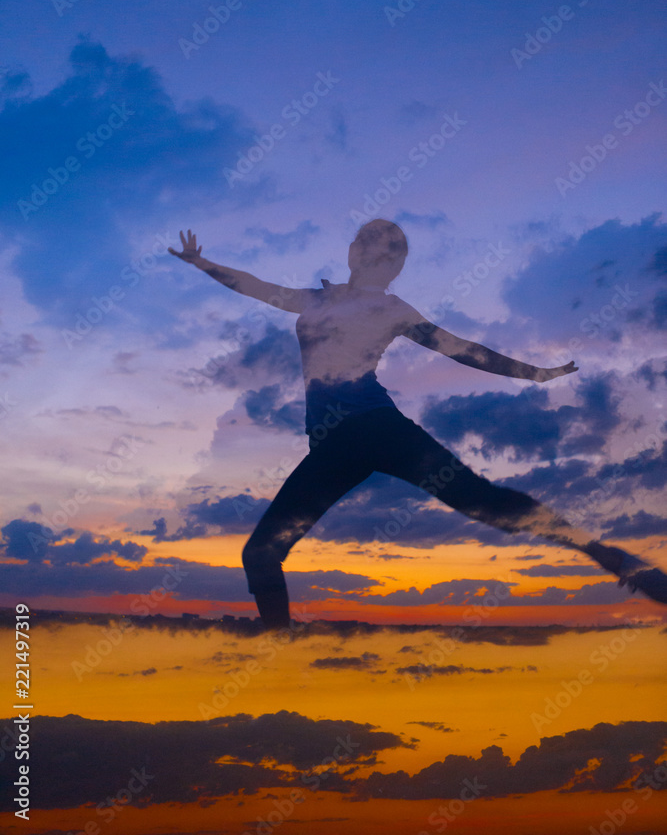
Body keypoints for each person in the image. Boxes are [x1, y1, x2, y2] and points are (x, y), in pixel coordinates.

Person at [170, 220, 667, 628]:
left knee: (485, 501)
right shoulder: (316, 299)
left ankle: (614, 558)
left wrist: (532, 373)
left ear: (396, 268)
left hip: (376, 429)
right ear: (353, 253)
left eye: (393, 258)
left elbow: (462, 349)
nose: (384, 264)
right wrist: (204, 264)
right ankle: (281, 655)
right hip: (337, 444)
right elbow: (258, 288)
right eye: (377, 252)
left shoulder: (391, 309)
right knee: (261, 554)